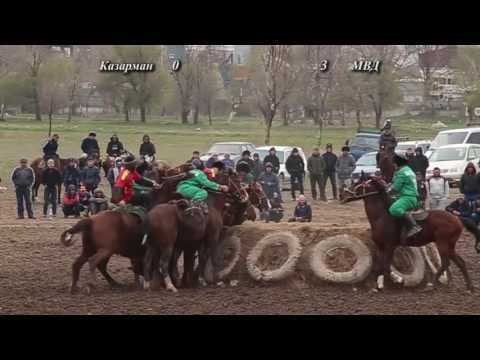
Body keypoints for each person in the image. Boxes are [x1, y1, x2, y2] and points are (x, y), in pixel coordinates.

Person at [382, 153, 421, 244]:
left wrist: (385, 187)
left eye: (394, 164)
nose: (394, 166)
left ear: (397, 164)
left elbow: (395, 189)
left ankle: (414, 226)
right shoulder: (408, 170)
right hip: (410, 196)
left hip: (407, 197)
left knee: (394, 209)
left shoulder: (402, 173)